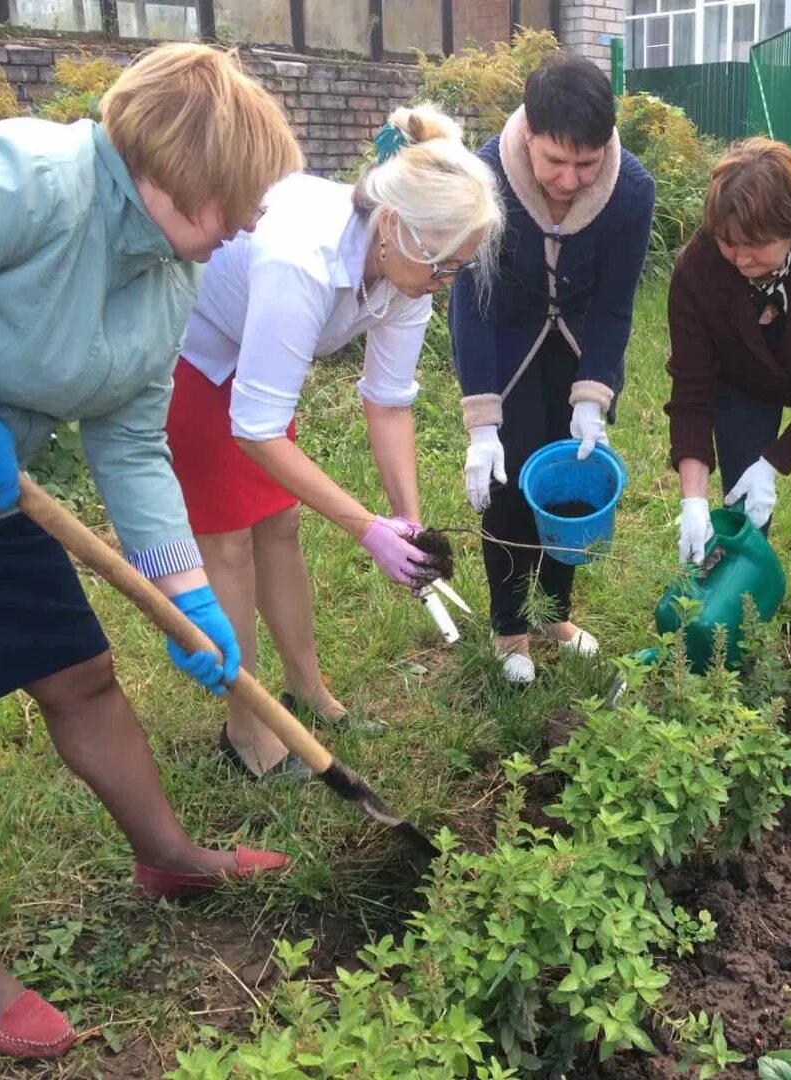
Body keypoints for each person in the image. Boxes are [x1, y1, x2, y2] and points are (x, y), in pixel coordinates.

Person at [0, 44, 303, 1059]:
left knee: (81, 674)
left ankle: (167, 854)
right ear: (181, 173)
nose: (252, 223)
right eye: (242, 198)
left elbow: (129, 435)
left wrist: (184, 593)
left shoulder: (168, 265)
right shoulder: (27, 185)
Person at [166, 103, 503, 777]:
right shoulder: (303, 260)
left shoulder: (412, 267)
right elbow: (256, 429)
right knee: (229, 545)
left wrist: (403, 519)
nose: (445, 283)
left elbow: (388, 401)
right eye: (442, 267)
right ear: (393, 226)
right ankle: (249, 729)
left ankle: (308, 690)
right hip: (193, 354)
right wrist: (364, 529)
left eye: (459, 269)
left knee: (279, 526)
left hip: (257, 358)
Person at [448, 54, 655, 685]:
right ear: (528, 134)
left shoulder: (631, 191)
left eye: (586, 165)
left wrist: (592, 397)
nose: (569, 179)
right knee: (509, 490)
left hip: (580, 348)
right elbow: (471, 301)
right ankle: (511, 627)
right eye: (554, 162)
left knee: (571, 482)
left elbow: (617, 306)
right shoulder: (485, 176)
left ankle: (555, 613)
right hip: (507, 351)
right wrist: (483, 421)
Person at [666, 139, 791, 603]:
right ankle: (742, 609)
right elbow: (691, 391)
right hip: (743, 384)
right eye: (728, 243)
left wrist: (777, 460)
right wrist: (693, 500)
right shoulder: (697, 269)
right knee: (743, 506)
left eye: (755, 246)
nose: (740, 260)